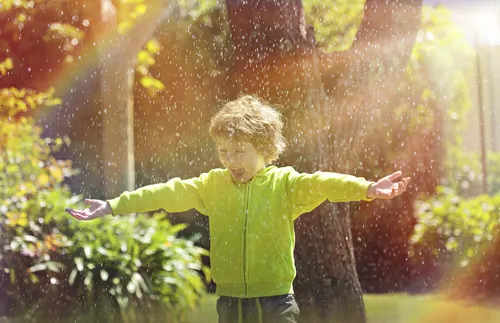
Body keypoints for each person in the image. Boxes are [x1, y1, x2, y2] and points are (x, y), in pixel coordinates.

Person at [66, 95, 410, 323]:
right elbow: (165, 193)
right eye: (223, 151)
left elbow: (323, 182)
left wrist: (367, 188)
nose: (230, 160)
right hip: (230, 305)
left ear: (264, 148)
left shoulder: (285, 185)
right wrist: (113, 205)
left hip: (277, 304)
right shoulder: (212, 186)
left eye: (239, 151)